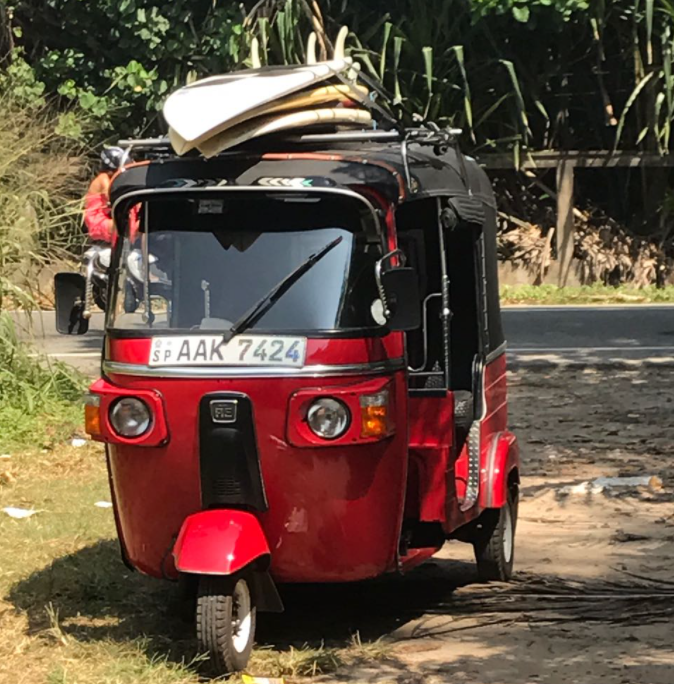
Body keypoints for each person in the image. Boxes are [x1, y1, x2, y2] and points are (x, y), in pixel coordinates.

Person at [83, 147, 126, 243]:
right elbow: (111, 195)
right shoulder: (103, 179)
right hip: (96, 220)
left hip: (103, 218)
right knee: (130, 226)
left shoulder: (107, 179)